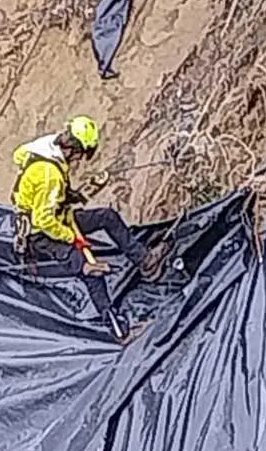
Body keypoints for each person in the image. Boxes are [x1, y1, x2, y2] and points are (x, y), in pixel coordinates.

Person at [9, 116, 169, 343]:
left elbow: (29, 169)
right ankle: (119, 330)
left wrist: (81, 193)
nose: (81, 161)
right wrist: (71, 237)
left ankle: (145, 262)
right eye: (82, 155)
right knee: (91, 270)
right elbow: (43, 219)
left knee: (107, 217)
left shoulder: (48, 146)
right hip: (42, 234)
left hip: (57, 216)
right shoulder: (49, 175)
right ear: (74, 148)